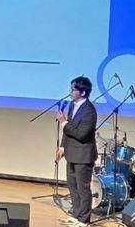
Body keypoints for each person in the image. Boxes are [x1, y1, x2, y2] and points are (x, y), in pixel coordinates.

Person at [56, 76, 98, 227]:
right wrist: (62, 146)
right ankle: (76, 215)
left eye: (73, 89)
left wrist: (63, 122)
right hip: (71, 152)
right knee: (72, 186)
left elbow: (81, 134)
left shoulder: (89, 111)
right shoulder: (73, 106)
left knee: (83, 188)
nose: (70, 92)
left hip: (83, 155)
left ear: (83, 92)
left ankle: (84, 220)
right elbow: (69, 130)